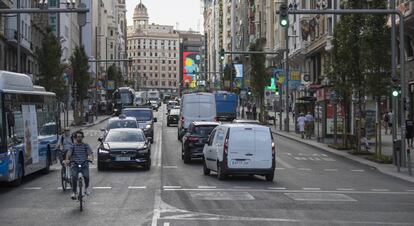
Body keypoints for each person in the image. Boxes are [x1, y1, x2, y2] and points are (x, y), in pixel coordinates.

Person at [65, 130, 93, 200]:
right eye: (78, 137)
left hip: (84, 164)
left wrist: (90, 158)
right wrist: (67, 160)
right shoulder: (72, 146)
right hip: (75, 164)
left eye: (80, 137)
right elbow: (68, 154)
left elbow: (90, 153)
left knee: (86, 176)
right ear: (75, 138)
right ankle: (74, 192)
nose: (79, 138)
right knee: (74, 177)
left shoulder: (86, 145)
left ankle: (86, 189)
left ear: (82, 137)